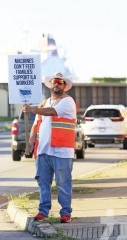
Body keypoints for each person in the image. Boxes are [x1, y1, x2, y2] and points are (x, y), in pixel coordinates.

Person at [22, 72, 76, 223]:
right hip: (43, 151)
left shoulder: (68, 102)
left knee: (63, 183)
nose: (57, 84)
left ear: (65, 86)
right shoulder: (44, 102)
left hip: (62, 152)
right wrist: (30, 143)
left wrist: (32, 109)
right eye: (55, 81)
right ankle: (43, 211)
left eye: (61, 82)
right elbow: (36, 124)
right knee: (43, 183)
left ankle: (65, 213)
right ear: (51, 84)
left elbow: (51, 112)